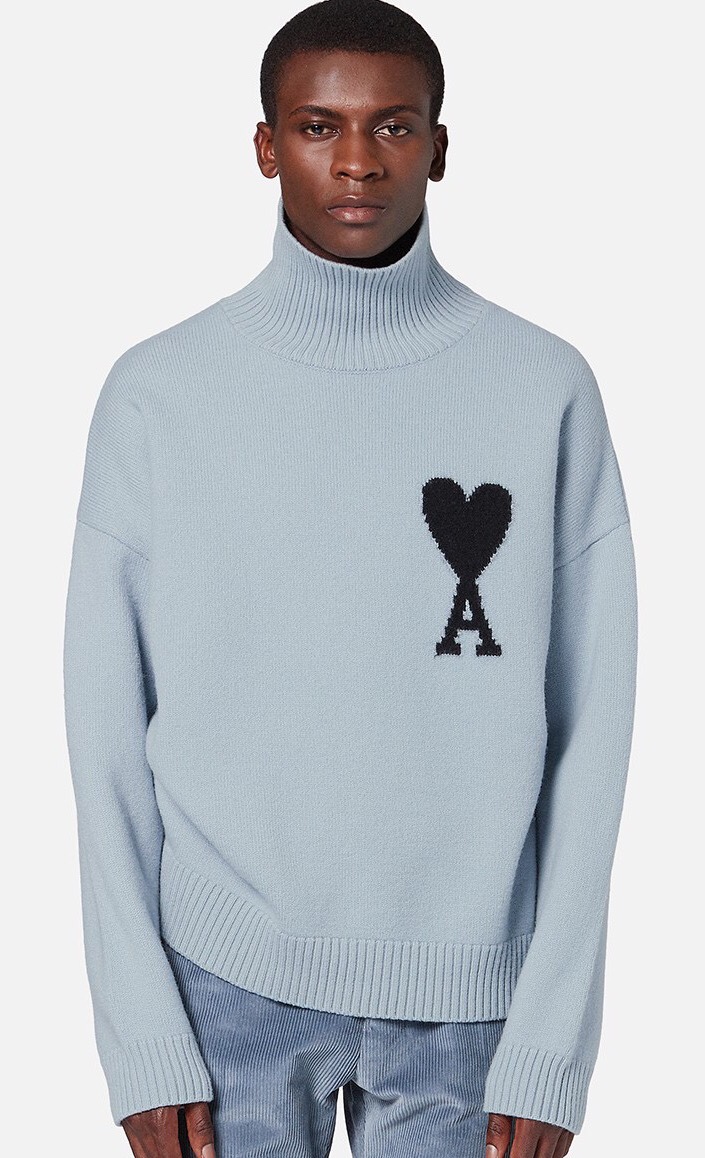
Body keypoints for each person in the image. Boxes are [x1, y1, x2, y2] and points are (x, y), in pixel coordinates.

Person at [62, 2, 638, 1157]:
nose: (359, 160)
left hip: (472, 1002)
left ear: (441, 145)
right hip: (220, 985)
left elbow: (595, 736)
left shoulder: (543, 389)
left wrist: (552, 1042)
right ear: (265, 145)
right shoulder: (161, 395)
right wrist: (140, 1033)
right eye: (319, 126)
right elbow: (104, 736)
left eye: (394, 125)